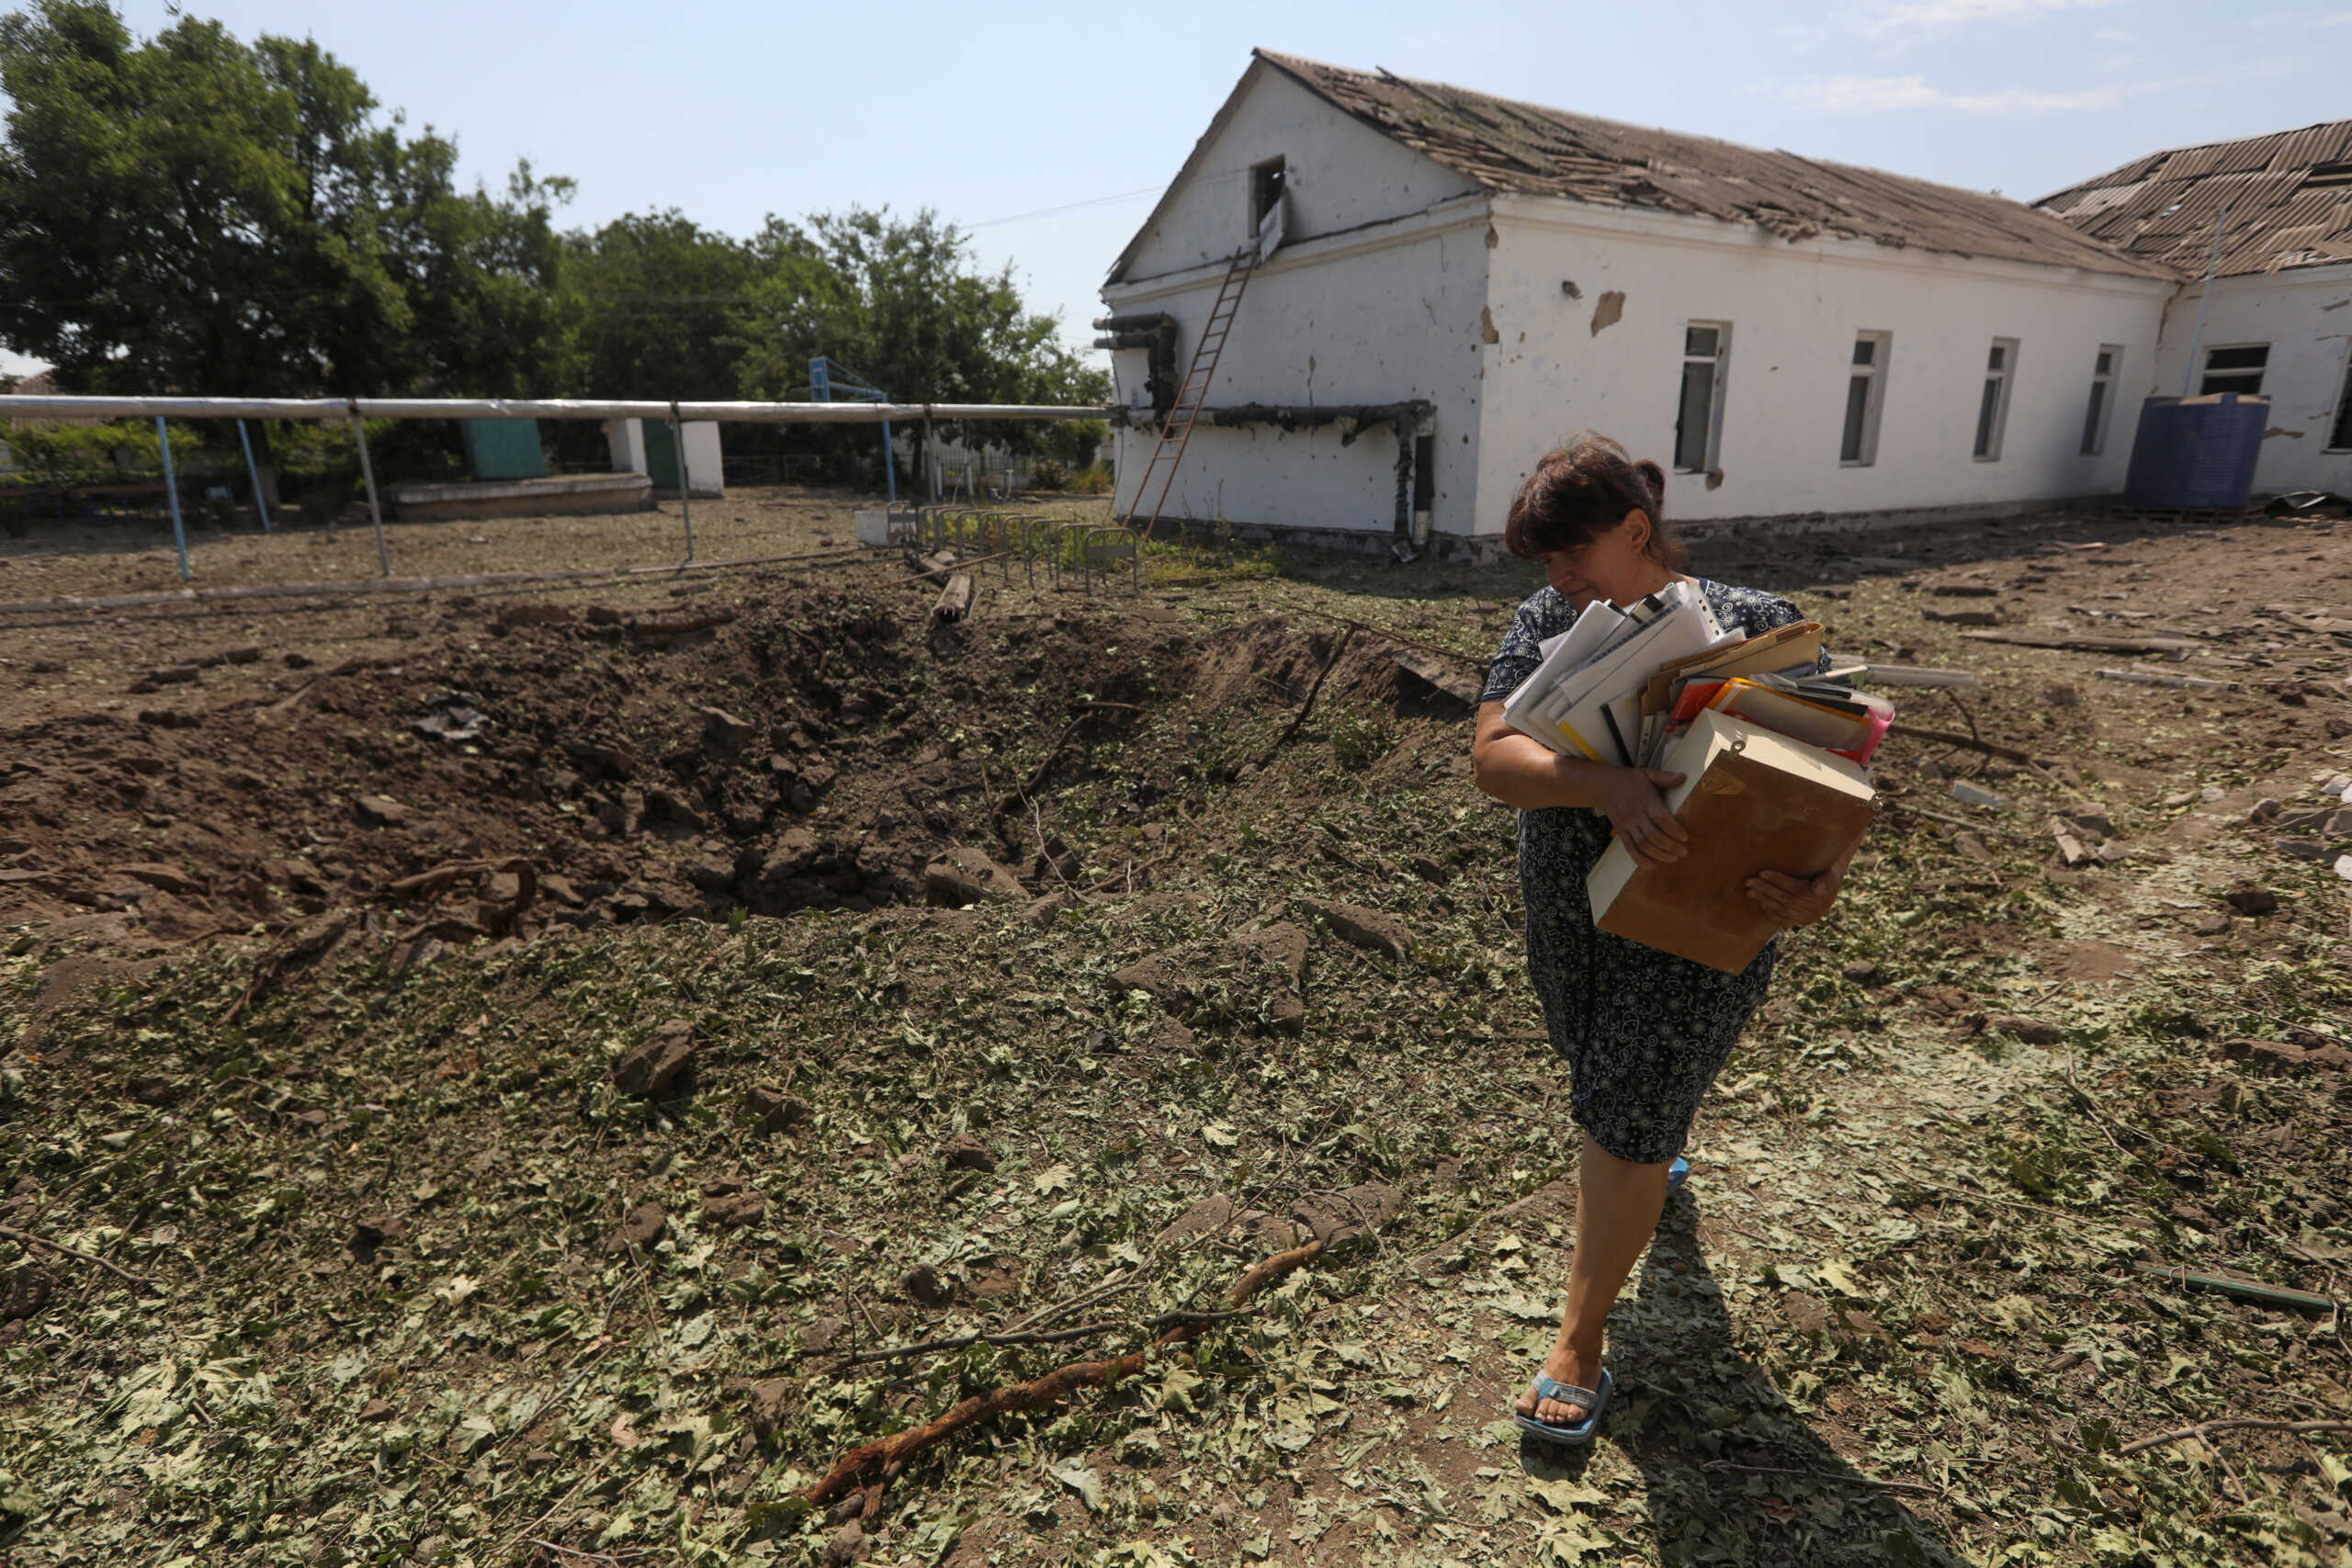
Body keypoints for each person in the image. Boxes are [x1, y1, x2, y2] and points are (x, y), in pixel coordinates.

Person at [1470, 433, 1854, 1444]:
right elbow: (1493, 758)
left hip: (1709, 905)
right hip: (1575, 904)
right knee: (1595, 1065)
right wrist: (1604, 785)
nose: (1556, 578)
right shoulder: (1548, 619)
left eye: (1571, 553)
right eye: (1543, 563)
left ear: (1635, 530)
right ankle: (1647, 1155)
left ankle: (1579, 1343)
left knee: (1626, 1110)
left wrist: (1820, 885)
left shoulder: (1762, 628)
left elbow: (1828, 780)